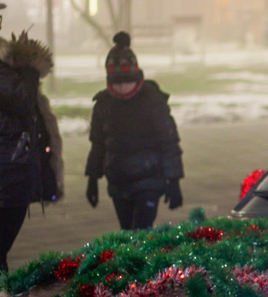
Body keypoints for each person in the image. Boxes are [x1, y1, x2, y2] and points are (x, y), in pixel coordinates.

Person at [85, 31, 183, 230]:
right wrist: (92, 179)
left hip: (149, 179)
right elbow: (98, 143)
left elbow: (169, 141)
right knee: (128, 232)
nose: (122, 88)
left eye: (126, 81)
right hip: (118, 180)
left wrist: (174, 180)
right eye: (116, 82)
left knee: (141, 230)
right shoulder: (104, 104)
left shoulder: (152, 100)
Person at [0, 26, 63, 272]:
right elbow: (21, 100)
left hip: (12, 177)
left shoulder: (9, 70)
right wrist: (29, 69)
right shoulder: (9, 74)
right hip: (7, 177)